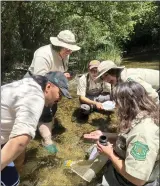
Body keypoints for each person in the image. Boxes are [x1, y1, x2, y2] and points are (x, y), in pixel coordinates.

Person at [1, 71, 71, 186]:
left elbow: (19, 138)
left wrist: (19, 163)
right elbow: (20, 141)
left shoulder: (27, 84)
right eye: (60, 94)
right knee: (12, 180)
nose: (59, 99)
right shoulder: (36, 97)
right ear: (48, 86)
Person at [84, 81, 159, 186]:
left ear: (127, 104)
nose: (115, 107)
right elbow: (128, 139)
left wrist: (110, 153)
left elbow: (137, 180)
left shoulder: (143, 134)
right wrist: (104, 135)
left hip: (128, 181)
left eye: (117, 103)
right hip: (121, 172)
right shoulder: (141, 116)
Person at [24, 30, 80, 153]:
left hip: (52, 83)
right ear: (57, 45)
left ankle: (44, 126)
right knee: (43, 109)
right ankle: (46, 139)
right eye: (67, 49)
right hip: (35, 82)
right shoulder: (43, 54)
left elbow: (58, 71)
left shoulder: (66, 53)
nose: (70, 52)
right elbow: (40, 80)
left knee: (53, 106)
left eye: (71, 49)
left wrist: (63, 76)